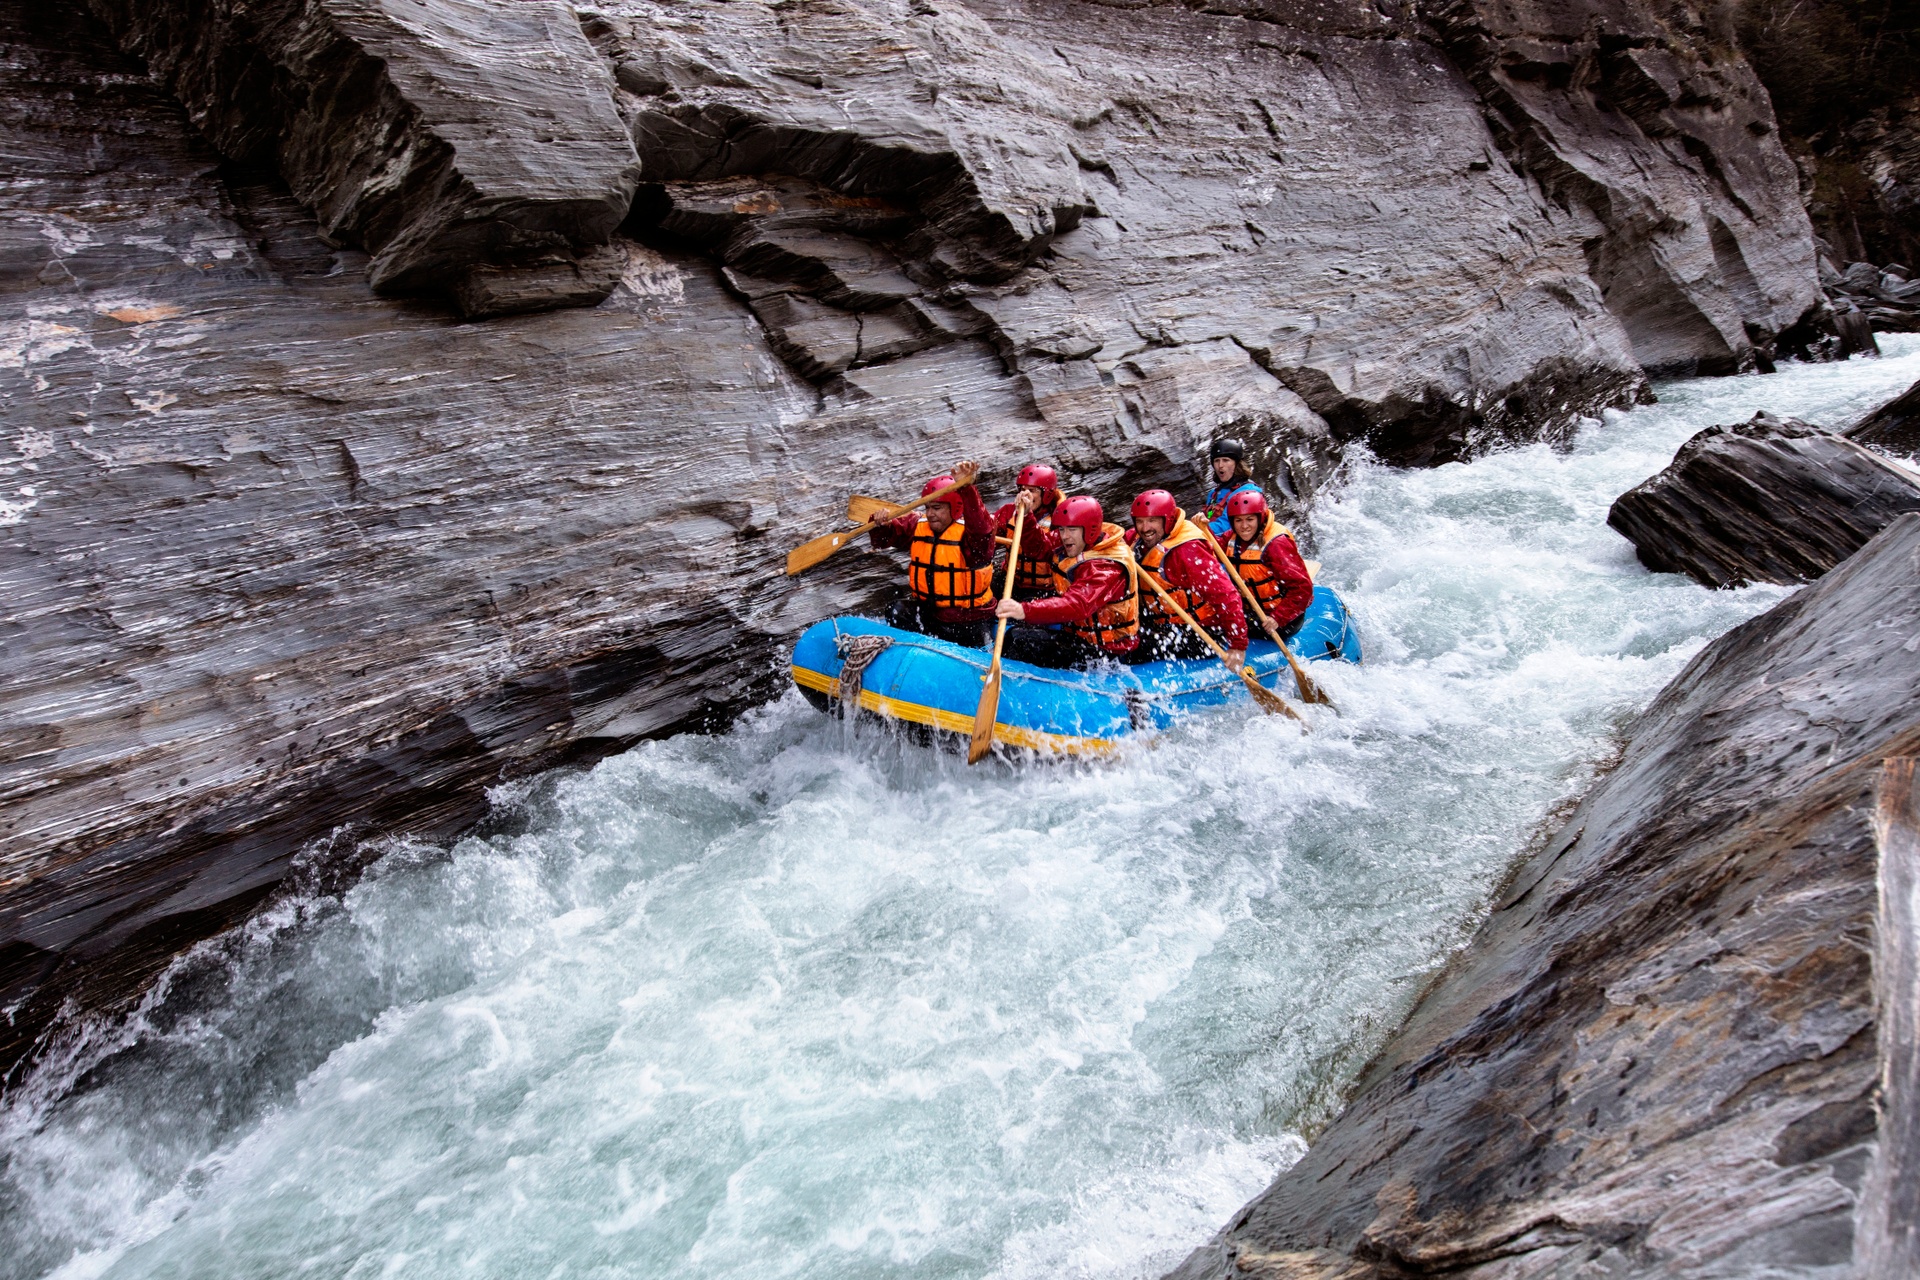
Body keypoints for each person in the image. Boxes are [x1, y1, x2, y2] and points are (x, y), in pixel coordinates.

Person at [992, 495, 1140, 669]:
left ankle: (1013, 682)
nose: (1065, 536)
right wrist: (1026, 517)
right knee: (1019, 629)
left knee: (1017, 639)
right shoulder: (1074, 541)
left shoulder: (1105, 567)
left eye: (1072, 530)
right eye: (1062, 529)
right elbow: (1038, 548)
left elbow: (1077, 605)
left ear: (1090, 529)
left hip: (1107, 650)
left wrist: (1024, 610)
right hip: (1077, 634)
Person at [870, 461, 995, 647]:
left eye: (937, 508)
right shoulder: (918, 525)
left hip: (966, 619)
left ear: (955, 508)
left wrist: (967, 488)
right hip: (930, 612)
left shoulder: (972, 536)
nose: (930, 514)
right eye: (927, 507)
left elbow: (981, 529)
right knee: (896, 610)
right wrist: (881, 523)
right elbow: (884, 539)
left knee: (970, 639)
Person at [1127, 489, 1247, 667]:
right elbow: (1113, 539)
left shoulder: (1187, 551)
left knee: (1132, 648)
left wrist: (1238, 644)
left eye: (1152, 520)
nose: (1145, 528)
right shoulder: (1139, 539)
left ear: (1167, 521)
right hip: (1165, 625)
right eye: (1140, 521)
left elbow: (1225, 595)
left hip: (1202, 632)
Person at [1214, 489, 1314, 636]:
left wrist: (1277, 618)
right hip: (1252, 611)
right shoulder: (1232, 537)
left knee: (1219, 629)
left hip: (1281, 618)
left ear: (1260, 518)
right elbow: (1212, 549)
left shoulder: (1276, 544)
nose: (1244, 526)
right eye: (1238, 520)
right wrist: (1202, 531)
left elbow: (1302, 589)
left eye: (1249, 519)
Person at [992, 463, 1065, 601]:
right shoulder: (1009, 512)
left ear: (1047, 495)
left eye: (1032, 490)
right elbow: (986, 538)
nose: (1025, 495)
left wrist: (1026, 516)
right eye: (1022, 489)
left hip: (1043, 589)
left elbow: (1039, 550)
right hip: (1010, 581)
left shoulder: (1060, 520)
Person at [1198, 438, 1262, 537]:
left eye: (1226, 460)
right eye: (1216, 461)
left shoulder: (1248, 492)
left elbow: (1227, 526)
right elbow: (1209, 516)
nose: (1220, 465)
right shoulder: (1214, 494)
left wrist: (1196, 531)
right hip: (1213, 541)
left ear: (1237, 464)